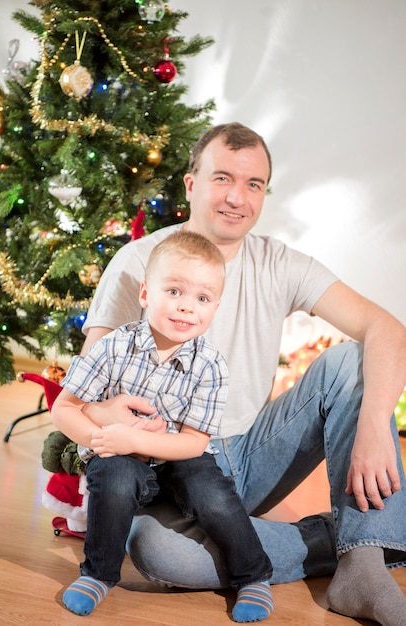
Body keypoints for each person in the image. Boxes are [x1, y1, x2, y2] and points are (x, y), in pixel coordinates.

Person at [80, 123, 406, 625]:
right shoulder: (138, 262)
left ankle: (362, 566)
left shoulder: (279, 263)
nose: (238, 197)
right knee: (161, 555)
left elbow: (385, 327)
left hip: (250, 452)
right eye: (223, 178)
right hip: (163, 465)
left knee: (349, 361)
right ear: (191, 184)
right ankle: (347, 536)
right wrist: (113, 419)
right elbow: (87, 386)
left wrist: (374, 426)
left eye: (254, 184)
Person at [51, 230, 274, 622]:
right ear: (145, 294)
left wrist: (133, 436)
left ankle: (252, 576)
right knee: (114, 475)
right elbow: (64, 408)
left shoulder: (211, 366)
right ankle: (99, 574)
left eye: (202, 298)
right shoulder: (115, 345)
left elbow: (193, 444)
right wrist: (101, 440)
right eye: (174, 291)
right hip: (122, 456)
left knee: (213, 491)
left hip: (177, 456)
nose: (187, 307)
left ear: (215, 307)